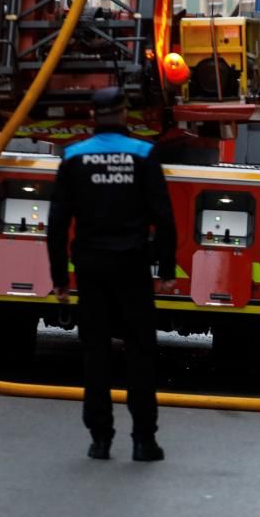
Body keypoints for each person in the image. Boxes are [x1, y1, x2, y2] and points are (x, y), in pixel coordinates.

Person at [47, 86, 177, 462]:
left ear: (92, 117)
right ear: (124, 114)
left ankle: (100, 439)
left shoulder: (73, 156)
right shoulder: (144, 153)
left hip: (90, 268)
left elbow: (57, 223)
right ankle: (143, 441)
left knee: (96, 354)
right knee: (140, 352)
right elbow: (163, 217)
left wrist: (59, 279)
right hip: (132, 267)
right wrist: (166, 270)